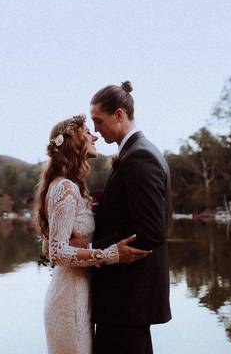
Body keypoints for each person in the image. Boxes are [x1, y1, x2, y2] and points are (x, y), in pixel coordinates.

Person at [36, 114, 150, 354]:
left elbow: (53, 245)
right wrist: (110, 254)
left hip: (80, 295)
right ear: (75, 141)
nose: (95, 135)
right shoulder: (65, 188)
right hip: (69, 301)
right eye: (88, 132)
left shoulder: (70, 185)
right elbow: (56, 252)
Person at [89, 81, 171, 354]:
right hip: (127, 300)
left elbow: (150, 231)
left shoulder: (140, 157)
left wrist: (93, 251)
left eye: (98, 121)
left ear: (120, 115)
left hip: (127, 298)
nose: (96, 130)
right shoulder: (137, 151)